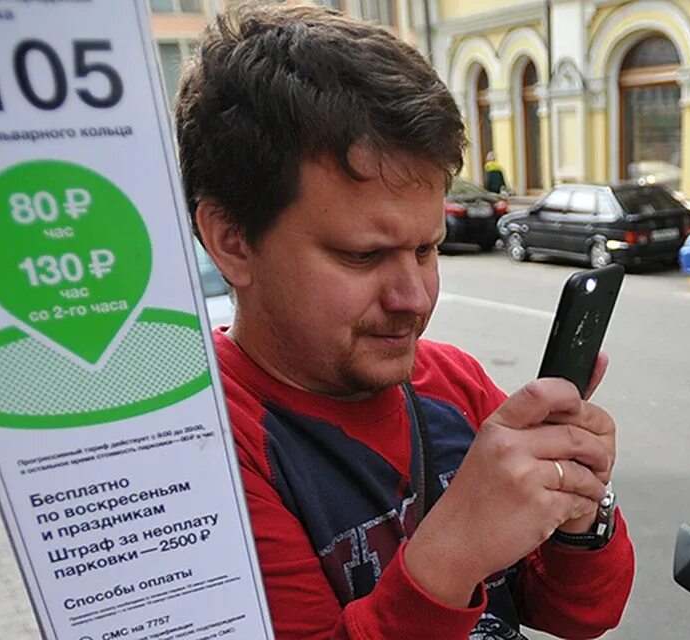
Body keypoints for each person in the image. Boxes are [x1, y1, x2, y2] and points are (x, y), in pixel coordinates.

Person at [176, 5, 634, 639]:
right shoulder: (197, 450)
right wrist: (456, 549)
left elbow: (580, 614)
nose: (415, 298)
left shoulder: (455, 384)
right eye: (363, 255)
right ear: (231, 240)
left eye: (427, 248)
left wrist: (579, 506)